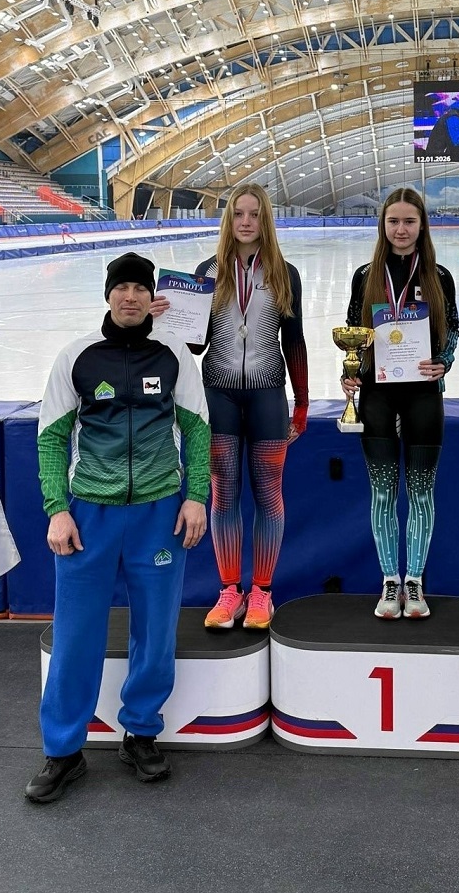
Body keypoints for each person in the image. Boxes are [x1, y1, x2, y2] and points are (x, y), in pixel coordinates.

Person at [26, 252, 211, 803]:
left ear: (151, 296)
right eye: (121, 287)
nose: (130, 297)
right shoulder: (77, 356)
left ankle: (141, 732)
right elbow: (51, 438)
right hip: (89, 514)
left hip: (159, 513)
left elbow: (198, 430)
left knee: (155, 632)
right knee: (76, 634)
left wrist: (196, 497)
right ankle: (63, 750)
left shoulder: (174, 354)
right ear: (107, 295)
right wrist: (57, 508)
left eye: (139, 288)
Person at [154, 183, 308, 631]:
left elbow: (294, 341)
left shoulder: (285, 273)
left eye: (254, 214)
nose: (246, 222)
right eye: (238, 213)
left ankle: (262, 592)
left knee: (268, 494)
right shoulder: (208, 271)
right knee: (223, 494)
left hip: (267, 394)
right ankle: (228, 591)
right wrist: (167, 318)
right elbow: (195, 345)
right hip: (217, 393)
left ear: (265, 220)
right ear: (228, 219)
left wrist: (301, 403)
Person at [342, 188, 459, 619]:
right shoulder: (364, 276)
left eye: (409, 221)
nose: (401, 229)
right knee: (382, 491)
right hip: (378, 394)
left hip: (423, 394)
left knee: (422, 492)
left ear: (422, 225)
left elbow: (453, 328)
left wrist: (444, 361)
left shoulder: (439, 276)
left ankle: (415, 581)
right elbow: (353, 332)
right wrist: (350, 371)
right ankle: (390, 580)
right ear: (383, 225)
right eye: (393, 221)